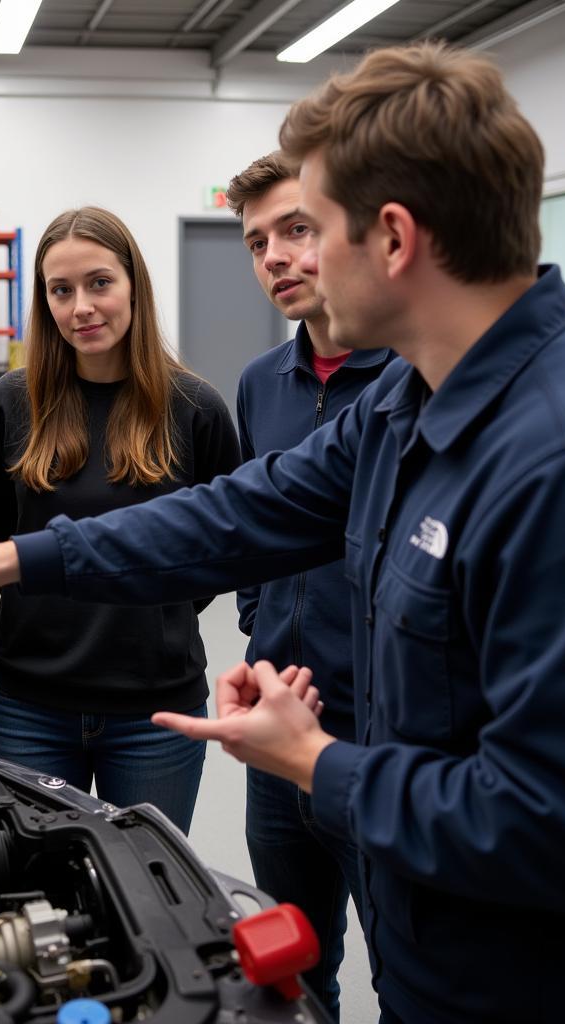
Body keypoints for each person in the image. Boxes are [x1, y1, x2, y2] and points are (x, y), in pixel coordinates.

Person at [0, 43, 565, 1023]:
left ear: (391, 238)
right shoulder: (403, 405)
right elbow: (233, 513)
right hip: (426, 936)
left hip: (523, 978)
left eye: (314, 228)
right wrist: (9, 556)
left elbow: (559, 821)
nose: (292, 263)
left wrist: (315, 763)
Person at [0, 207, 241, 833]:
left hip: (155, 711)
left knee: (148, 895)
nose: (81, 307)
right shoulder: (13, 402)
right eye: (60, 290)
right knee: (30, 890)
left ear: (133, 287)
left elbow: (222, 550)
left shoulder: (195, 407)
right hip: (29, 704)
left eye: (99, 283)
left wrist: (152, 614)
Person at [228, 150, 392, 1017]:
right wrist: (262, 628)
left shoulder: (410, 378)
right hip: (272, 719)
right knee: (293, 967)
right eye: (257, 243)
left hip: (379, 737)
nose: (277, 259)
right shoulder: (261, 384)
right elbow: (253, 522)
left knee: (404, 969)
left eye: (296, 230)